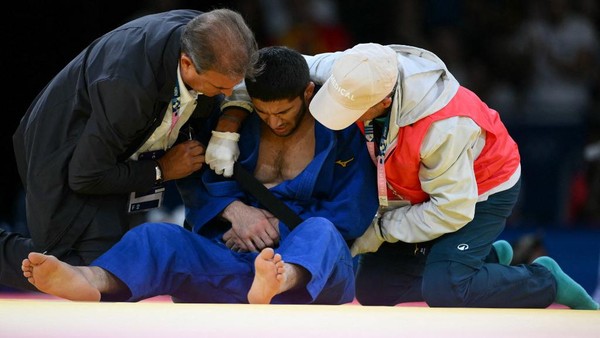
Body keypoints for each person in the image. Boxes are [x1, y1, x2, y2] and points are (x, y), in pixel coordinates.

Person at [21, 46, 379, 304]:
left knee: (322, 232)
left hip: (310, 274)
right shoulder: (234, 125)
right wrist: (235, 213)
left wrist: (276, 230)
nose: (275, 121)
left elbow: (355, 207)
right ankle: (91, 279)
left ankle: (280, 278)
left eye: (284, 111)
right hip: (230, 260)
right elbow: (201, 180)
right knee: (158, 237)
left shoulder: (338, 131)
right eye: (264, 112)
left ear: (307, 93)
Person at [304, 42, 599, 310]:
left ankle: (544, 279)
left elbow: (450, 211)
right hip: (415, 188)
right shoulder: (356, 71)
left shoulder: (442, 126)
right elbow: (295, 65)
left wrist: (379, 230)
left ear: (383, 102)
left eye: (352, 109)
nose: (342, 113)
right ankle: (485, 262)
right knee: (374, 290)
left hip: (482, 189)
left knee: (448, 290)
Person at [2, 8, 258, 292]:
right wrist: (162, 169)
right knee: (73, 267)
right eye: (219, 86)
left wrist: (229, 124)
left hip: (117, 143)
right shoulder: (129, 88)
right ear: (187, 63)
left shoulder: (208, 33)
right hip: (61, 147)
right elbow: (85, 175)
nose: (225, 94)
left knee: (109, 275)